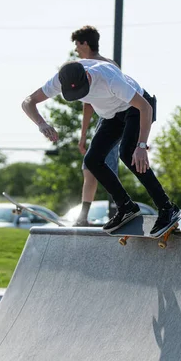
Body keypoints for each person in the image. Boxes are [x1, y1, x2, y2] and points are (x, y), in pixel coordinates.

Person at [21, 60, 181, 236]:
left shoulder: (108, 78)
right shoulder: (59, 80)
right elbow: (28, 102)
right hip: (110, 116)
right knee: (92, 160)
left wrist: (141, 145)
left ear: (88, 76)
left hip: (135, 109)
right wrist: (41, 123)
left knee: (128, 153)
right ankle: (126, 206)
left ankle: (167, 207)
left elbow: (145, 106)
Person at [71, 25, 120, 226]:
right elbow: (88, 103)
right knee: (90, 167)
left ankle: (121, 211)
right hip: (105, 120)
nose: (75, 49)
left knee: (106, 166)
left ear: (85, 43)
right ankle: (83, 217)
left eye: (76, 44)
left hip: (118, 119)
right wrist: (83, 136)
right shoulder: (94, 65)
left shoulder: (101, 66)